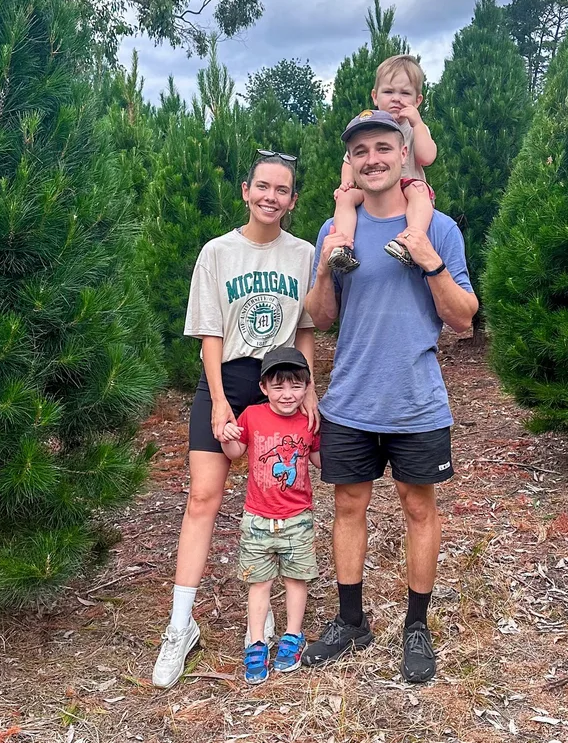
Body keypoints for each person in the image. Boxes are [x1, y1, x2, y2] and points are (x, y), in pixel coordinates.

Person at [302, 109, 480, 684]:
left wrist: (428, 259)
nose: (373, 158)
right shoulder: (336, 231)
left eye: (384, 147)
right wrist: (327, 272)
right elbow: (322, 318)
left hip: (416, 400)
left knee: (417, 508)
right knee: (348, 507)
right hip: (350, 400)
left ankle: (416, 626)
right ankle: (352, 620)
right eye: (361, 151)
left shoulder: (441, 228)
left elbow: (464, 321)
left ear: (404, 154)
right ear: (350, 164)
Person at [152, 151, 318, 690]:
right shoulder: (217, 252)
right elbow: (210, 335)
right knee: (204, 498)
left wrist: (310, 388)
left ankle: (265, 606)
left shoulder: (305, 255)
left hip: (283, 385)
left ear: (293, 201)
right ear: (246, 190)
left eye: (283, 190)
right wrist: (221, 401)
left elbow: (308, 329)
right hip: (227, 380)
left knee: (274, 495)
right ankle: (181, 625)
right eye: (262, 186)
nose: (271, 197)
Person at [220, 346, 321, 683]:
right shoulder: (252, 415)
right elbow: (236, 452)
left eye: (295, 386)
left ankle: (293, 636)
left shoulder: (310, 421)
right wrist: (226, 435)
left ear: (307, 387)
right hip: (258, 519)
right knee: (258, 582)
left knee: (296, 579)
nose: (287, 394)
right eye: (278, 387)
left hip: (298, 517)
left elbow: (321, 461)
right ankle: (258, 642)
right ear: (263, 388)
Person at [328, 55, 437, 273]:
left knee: (419, 191)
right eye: (389, 92)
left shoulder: (416, 128)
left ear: (417, 101)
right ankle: (343, 247)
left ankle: (410, 239)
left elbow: (427, 158)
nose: (397, 99)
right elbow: (349, 160)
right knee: (345, 197)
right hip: (373, 191)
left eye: (405, 93)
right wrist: (346, 183)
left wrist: (417, 123)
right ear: (375, 97)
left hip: (408, 187)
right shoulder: (365, 129)